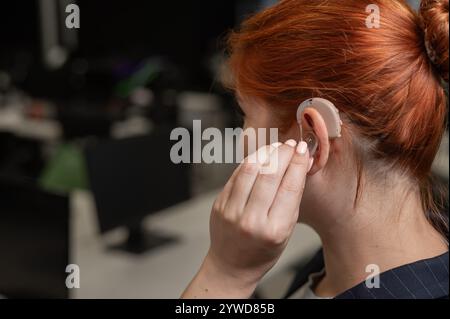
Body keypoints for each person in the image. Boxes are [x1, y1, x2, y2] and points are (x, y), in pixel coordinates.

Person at [182, 0, 449, 299]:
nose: (240, 139)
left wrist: (224, 276)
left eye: (245, 114)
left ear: (311, 139)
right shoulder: (334, 265)